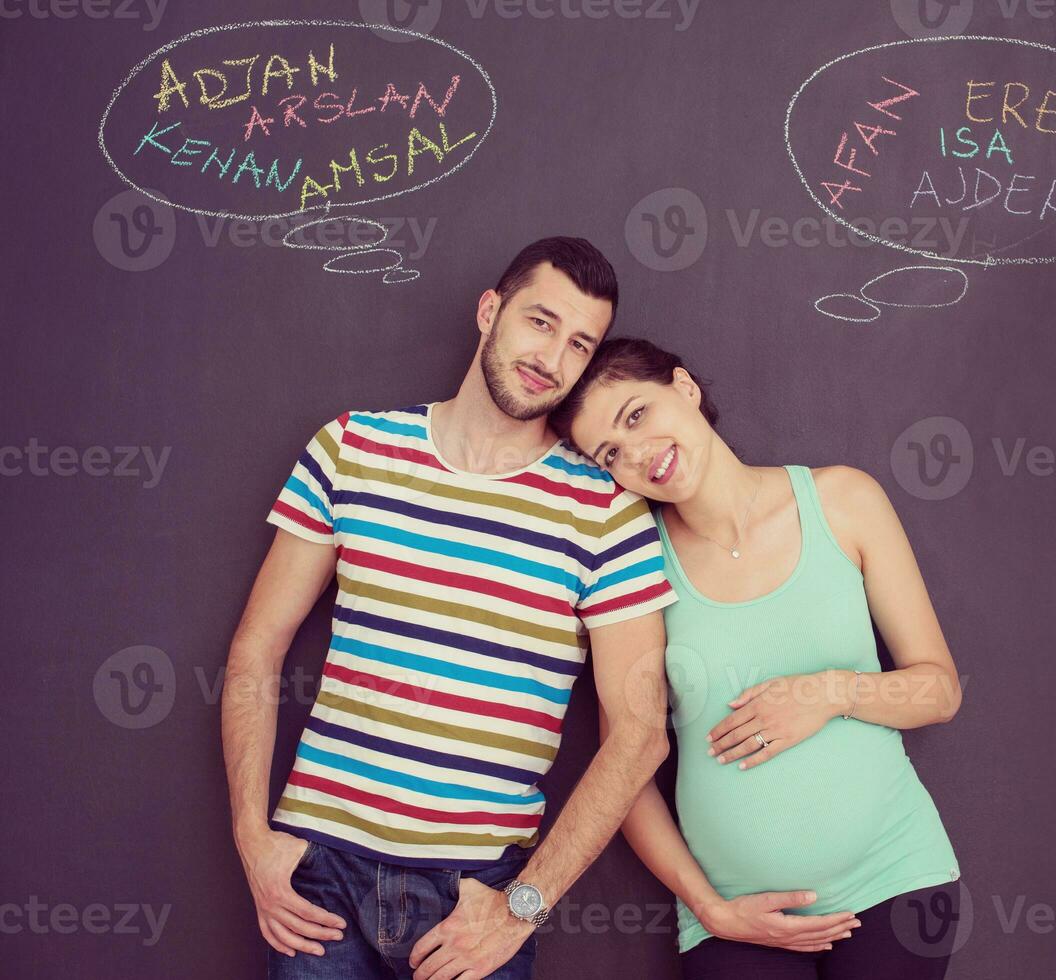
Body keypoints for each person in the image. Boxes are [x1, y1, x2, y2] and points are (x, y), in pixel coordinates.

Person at [222, 238, 680, 980]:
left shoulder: (605, 512)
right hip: (319, 882)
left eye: (578, 344)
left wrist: (521, 906)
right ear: (489, 310)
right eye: (539, 322)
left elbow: (638, 736)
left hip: (474, 896)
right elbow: (257, 648)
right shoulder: (352, 448)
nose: (551, 358)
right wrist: (252, 836)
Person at [548, 337, 966, 979]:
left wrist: (828, 693)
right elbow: (623, 774)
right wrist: (709, 907)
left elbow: (939, 691)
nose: (637, 454)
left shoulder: (843, 501)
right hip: (737, 918)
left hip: (893, 881)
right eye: (611, 453)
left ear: (684, 388)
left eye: (636, 416)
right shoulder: (634, 568)